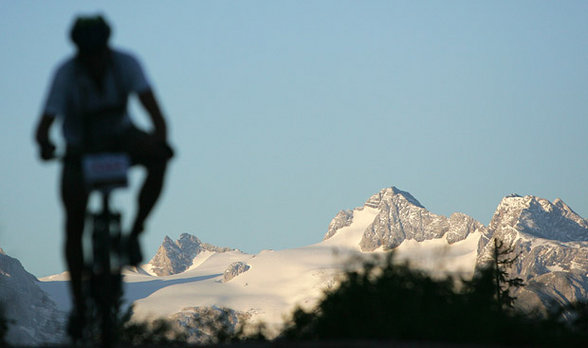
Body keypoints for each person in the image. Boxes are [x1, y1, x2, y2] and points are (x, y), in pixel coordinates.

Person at [34, 15, 173, 336]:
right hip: (79, 147)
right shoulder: (65, 75)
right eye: (88, 53)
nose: (95, 59)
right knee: (73, 222)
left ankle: (136, 229)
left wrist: (159, 142)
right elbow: (44, 125)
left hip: (120, 137)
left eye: (99, 51)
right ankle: (81, 306)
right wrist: (45, 143)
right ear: (79, 51)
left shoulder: (127, 65)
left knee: (159, 161)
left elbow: (155, 114)